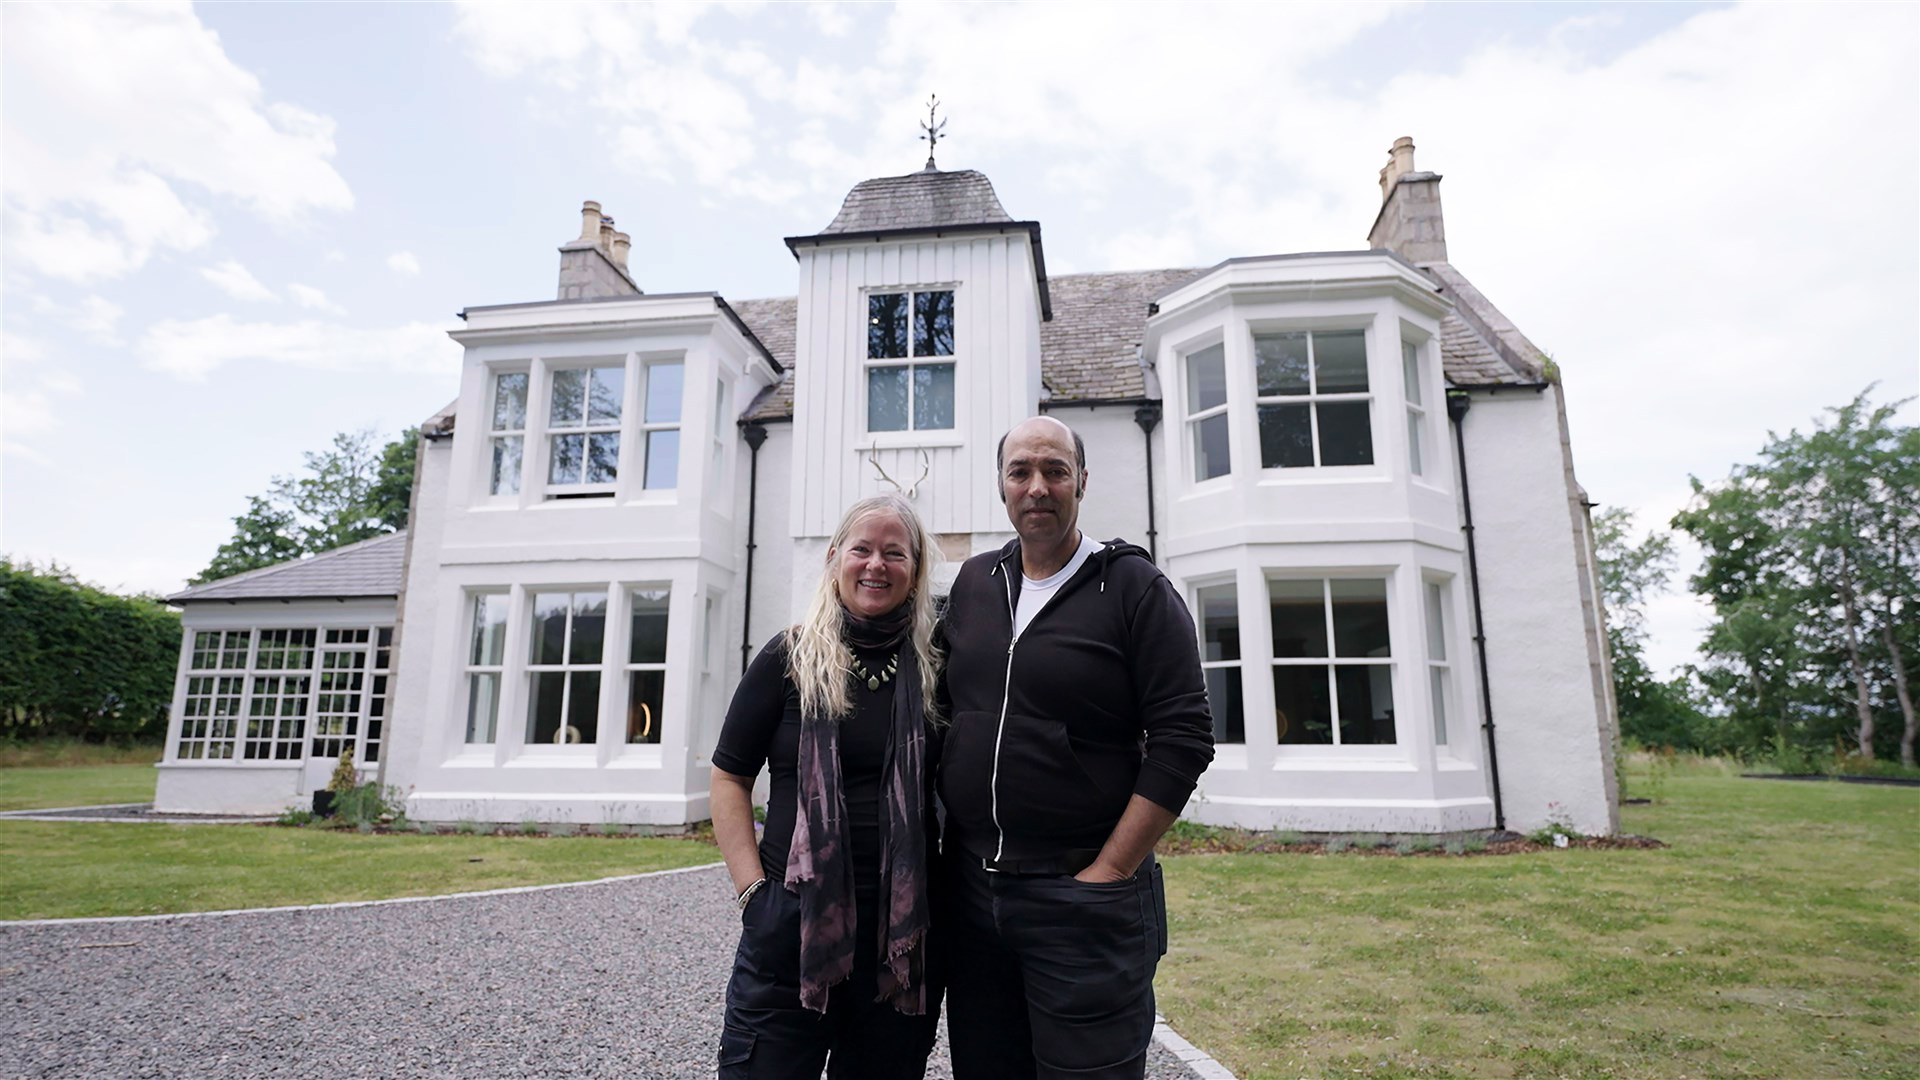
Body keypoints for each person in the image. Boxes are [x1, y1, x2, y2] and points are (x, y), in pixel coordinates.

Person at [936, 416, 1215, 1080]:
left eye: (1055, 471)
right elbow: (939, 709)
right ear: (1001, 487)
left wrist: (1113, 870)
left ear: (1081, 482)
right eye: (1021, 472)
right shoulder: (976, 584)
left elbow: (1183, 738)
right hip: (975, 898)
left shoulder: (1132, 589)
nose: (1038, 487)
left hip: (1081, 899)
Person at [711, 493, 944, 1080]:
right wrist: (752, 897)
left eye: (895, 553)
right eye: (862, 549)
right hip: (790, 933)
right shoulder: (787, 658)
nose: (876, 565)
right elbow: (730, 775)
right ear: (835, 557)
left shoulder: (938, 666)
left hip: (898, 949)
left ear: (915, 572)